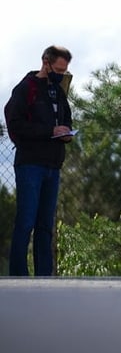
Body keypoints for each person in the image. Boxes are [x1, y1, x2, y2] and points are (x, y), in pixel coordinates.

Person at [4, 45, 75, 276]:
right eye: (57, 69)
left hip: (53, 166)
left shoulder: (59, 91)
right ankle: (18, 277)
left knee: (45, 226)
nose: (60, 74)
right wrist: (50, 131)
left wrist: (66, 133)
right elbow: (15, 125)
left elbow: (67, 119)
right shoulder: (26, 88)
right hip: (30, 165)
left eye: (64, 71)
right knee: (26, 222)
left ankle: (45, 278)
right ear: (45, 62)